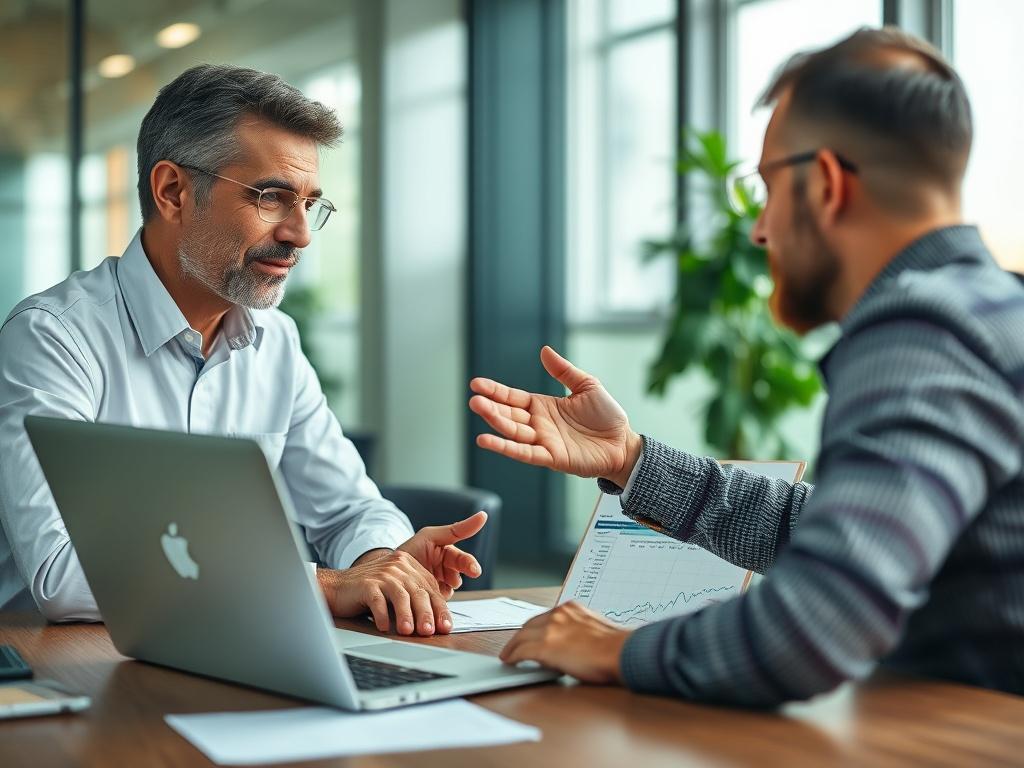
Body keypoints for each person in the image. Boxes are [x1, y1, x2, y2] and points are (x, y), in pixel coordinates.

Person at [469, 26, 1024, 705]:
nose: (760, 229)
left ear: (823, 183)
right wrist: (632, 458)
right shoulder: (993, 313)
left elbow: (813, 628)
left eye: (767, 186)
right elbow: (834, 534)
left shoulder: (923, 329)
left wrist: (615, 647)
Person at [0, 64, 484, 636]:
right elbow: (59, 574)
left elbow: (350, 507)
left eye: (310, 205)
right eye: (273, 198)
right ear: (173, 192)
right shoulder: (54, 339)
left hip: (232, 647)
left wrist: (378, 561)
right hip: (69, 669)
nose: (300, 234)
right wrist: (319, 583)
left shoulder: (274, 341)